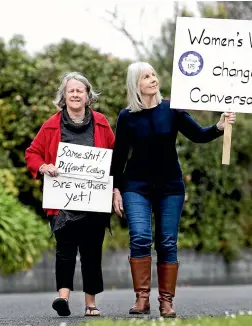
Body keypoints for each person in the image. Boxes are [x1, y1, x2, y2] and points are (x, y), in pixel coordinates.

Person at [111, 62, 236, 318]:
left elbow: (198, 135)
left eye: (154, 74)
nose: (153, 80)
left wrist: (219, 127)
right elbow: (119, 156)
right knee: (140, 237)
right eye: (146, 77)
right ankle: (142, 299)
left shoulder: (172, 108)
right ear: (136, 84)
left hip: (170, 187)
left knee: (167, 242)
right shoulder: (127, 117)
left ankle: (166, 301)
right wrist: (115, 189)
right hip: (136, 186)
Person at [25, 72, 115, 317]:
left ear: (88, 96)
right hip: (62, 201)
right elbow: (32, 153)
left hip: (94, 200)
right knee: (64, 250)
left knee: (91, 252)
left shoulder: (102, 123)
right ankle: (62, 298)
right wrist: (43, 166)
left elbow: (114, 158)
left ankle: (90, 303)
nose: (75, 94)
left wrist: (115, 188)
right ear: (64, 97)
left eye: (80, 91)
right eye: (70, 91)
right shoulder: (52, 124)